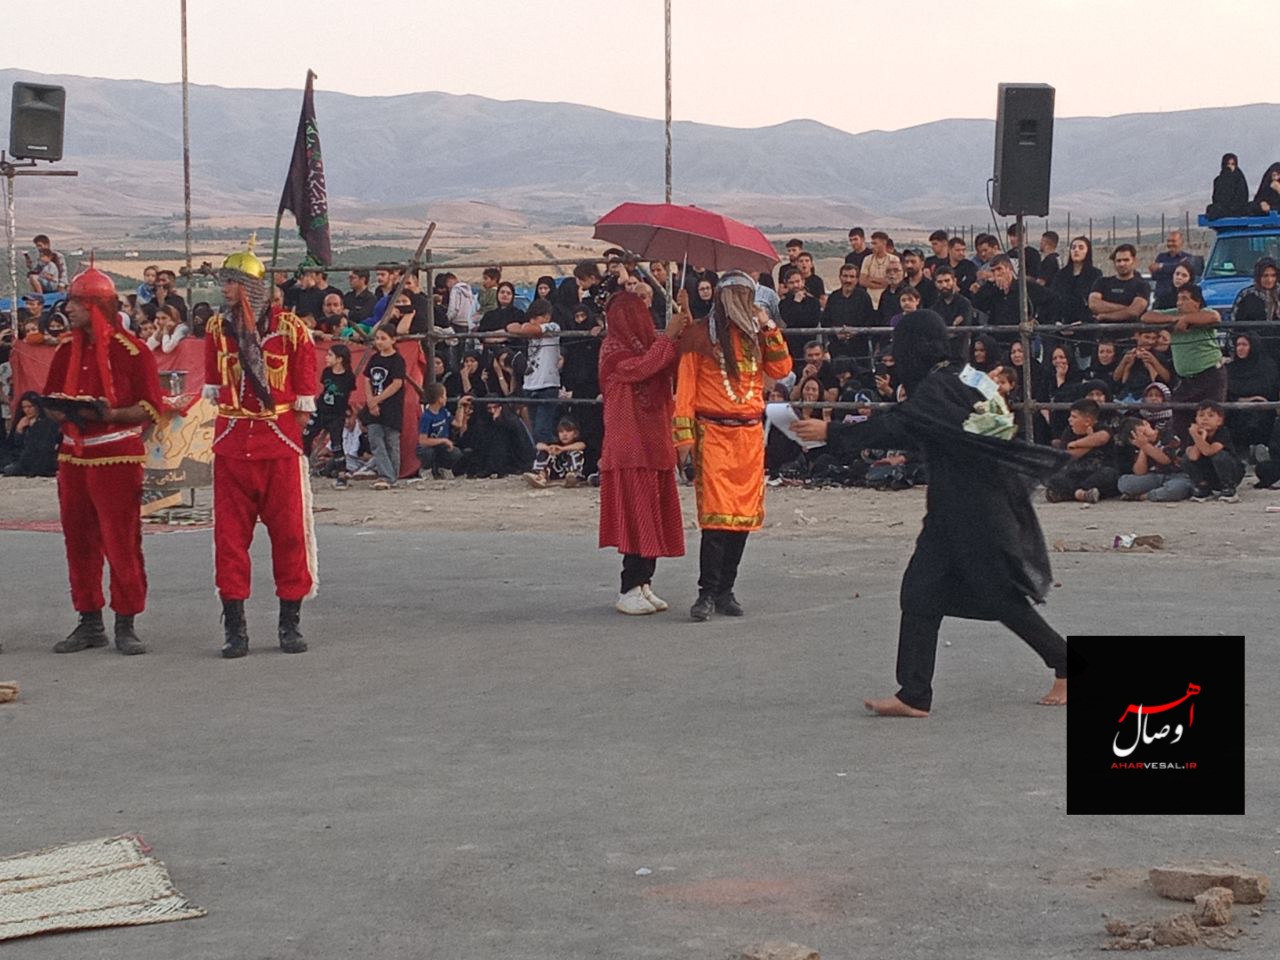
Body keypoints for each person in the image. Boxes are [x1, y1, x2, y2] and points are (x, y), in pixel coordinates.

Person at [793, 311, 1070, 715]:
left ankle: (1065, 662)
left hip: (976, 510)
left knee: (999, 597)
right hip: (953, 507)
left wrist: (831, 432)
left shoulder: (939, 387)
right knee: (920, 592)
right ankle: (914, 695)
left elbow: (902, 424)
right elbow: (958, 425)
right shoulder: (967, 375)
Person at [202, 239, 319, 658]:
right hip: (232, 446)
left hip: (278, 445)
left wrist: (288, 428)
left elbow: (304, 394)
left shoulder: (290, 329)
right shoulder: (218, 329)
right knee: (229, 539)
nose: (225, 289)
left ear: (251, 286)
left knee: (290, 536)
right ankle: (235, 628)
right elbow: (215, 383)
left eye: (232, 282)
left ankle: (290, 623)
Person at [42, 262, 163, 655]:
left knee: (120, 540)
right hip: (72, 459)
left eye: (76, 303)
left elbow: (150, 407)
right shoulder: (65, 352)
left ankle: (126, 621)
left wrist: (108, 414)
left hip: (116, 459)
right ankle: (89, 620)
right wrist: (61, 410)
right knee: (78, 541)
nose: (69, 309)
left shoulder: (134, 352)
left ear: (95, 306)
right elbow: (51, 400)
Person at [674, 273, 792, 621]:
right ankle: (706, 593)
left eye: (748, 295)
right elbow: (685, 392)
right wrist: (684, 442)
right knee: (715, 521)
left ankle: (726, 590)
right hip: (713, 435)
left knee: (741, 520)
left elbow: (782, 368)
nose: (744, 302)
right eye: (737, 295)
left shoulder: (757, 335)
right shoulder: (699, 335)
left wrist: (768, 325)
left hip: (749, 438)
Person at [1139, 283, 1226, 445]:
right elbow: (1146, 316)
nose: (1180, 303)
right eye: (1178, 299)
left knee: (1210, 417)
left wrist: (1187, 319)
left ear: (1196, 303)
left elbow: (1214, 317)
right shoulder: (1173, 313)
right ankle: (1185, 451)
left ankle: (1213, 451)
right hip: (1186, 380)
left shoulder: (1204, 313)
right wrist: (1175, 319)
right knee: (1179, 415)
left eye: (1185, 299)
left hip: (1210, 375)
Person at [506, 299, 561, 447]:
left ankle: (545, 458)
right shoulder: (530, 327)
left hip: (547, 385)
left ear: (546, 317)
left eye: (536, 318)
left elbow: (530, 330)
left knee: (542, 431)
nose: (532, 321)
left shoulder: (553, 327)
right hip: (530, 385)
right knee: (534, 429)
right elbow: (510, 327)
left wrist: (524, 328)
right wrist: (523, 327)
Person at [1046, 399, 1118, 503]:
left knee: (1109, 475)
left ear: (1087, 421)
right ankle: (1081, 494)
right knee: (1054, 478)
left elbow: (1102, 438)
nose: (1069, 420)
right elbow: (1068, 456)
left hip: (1098, 472)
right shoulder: (1069, 431)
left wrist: (1076, 444)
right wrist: (1091, 442)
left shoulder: (1103, 428)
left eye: (1074, 417)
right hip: (1077, 473)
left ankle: (1072, 494)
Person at [363, 323, 407, 490]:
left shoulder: (397, 360)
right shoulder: (374, 358)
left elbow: (397, 383)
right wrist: (370, 400)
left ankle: (392, 475)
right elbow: (367, 379)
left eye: (383, 338)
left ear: (393, 340)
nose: (379, 342)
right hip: (373, 405)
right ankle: (385, 475)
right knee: (375, 440)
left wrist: (378, 399)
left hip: (391, 406)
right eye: (377, 338)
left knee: (391, 442)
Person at [1225, 332, 1279, 457]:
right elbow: (1226, 393)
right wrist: (1245, 400)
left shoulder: (1267, 366)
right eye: (1238, 345)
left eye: (1244, 344)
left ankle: (1260, 450)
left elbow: (1272, 390)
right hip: (1237, 410)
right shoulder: (1230, 369)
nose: (1240, 348)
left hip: (1264, 410)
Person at [1115, 416, 1193, 502]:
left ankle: (1145, 496)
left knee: (1176, 488)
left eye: (1143, 433)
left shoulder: (1166, 432)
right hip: (1155, 476)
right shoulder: (1140, 444)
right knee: (1124, 483)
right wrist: (1143, 448)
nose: (1143, 437)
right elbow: (1140, 472)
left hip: (1177, 475)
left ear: (1146, 424)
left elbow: (1166, 460)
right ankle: (1157, 491)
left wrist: (1145, 445)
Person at [304, 343, 355, 473]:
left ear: (339, 359)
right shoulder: (327, 372)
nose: (326, 357)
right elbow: (324, 389)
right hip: (321, 410)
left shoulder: (348, 377)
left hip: (336, 414)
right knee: (306, 435)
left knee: (336, 444)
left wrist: (348, 413)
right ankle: (304, 464)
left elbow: (347, 396)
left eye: (330, 355)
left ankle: (341, 472)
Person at [1185, 400, 1243, 502]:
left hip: (1231, 472)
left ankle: (1228, 489)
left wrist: (1196, 436)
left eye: (1211, 415)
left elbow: (1209, 451)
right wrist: (1200, 436)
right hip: (1211, 474)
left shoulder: (1222, 432)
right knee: (1186, 458)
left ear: (1219, 421)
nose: (1205, 419)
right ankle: (1203, 488)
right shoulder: (1195, 434)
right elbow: (1193, 457)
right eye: (1201, 415)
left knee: (1219, 456)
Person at [0, 391, 59, 477]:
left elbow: (42, 446)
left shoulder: (47, 423)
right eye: (24, 407)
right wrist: (19, 430)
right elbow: (14, 444)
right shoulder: (22, 420)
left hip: (36, 458)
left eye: (30, 407)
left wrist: (34, 427)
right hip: (19, 455)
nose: (27, 410)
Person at [416, 382, 464, 479]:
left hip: (441, 446)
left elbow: (458, 423)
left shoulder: (444, 411)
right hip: (430, 446)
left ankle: (444, 468)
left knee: (455, 452)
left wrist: (460, 406)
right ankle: (426, 469)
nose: (446, 398)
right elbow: (422, 441)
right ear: (440, 399)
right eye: (445, 395)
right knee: (427, 452)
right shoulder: (426, 417)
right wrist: (443, 440)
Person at [524, 417, 587, 488]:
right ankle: (541, 476)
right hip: (557, 471)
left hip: (571, 472)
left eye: (568, 431)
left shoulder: (577, 443)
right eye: (561, 432)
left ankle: (573, 475)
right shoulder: (555, 443)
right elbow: (538, 445)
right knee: (543, 452)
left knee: (575, 452)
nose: (564, 434)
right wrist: (548, 449)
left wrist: (562, 449)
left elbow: (582, 445)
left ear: (576, 434)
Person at [1206, 154, 1251, 219]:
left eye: (1233, 164)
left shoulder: (1239, 179)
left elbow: (1242, 197)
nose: (1230, 167)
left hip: (1237, 208)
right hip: (1223, 207)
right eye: (1228, 164)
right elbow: (1216, 197)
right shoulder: (1218, 180)